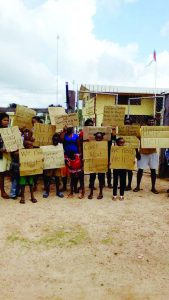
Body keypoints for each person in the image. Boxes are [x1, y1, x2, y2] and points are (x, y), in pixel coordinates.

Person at [133, 116, 159, 194]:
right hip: (143, 153)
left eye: (152, 121)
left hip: (153, 152)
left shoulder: (156, 131)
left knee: (153, 170)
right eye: (150, 121)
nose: (151, 122)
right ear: (146, 122)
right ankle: (137, 186)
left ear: (154, 122)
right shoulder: (141, 130)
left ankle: (153, 187)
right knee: (140, 170)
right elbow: (135, 141)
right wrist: (137, 152)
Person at [43, 133, 64, 198]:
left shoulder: (60, 146)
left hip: (57, 165)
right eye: (54, 140)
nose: (55, 141)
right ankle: (47, 191)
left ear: (58, 140)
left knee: (57, 179)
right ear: (52, 140)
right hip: (49, 165)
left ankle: (58, 191)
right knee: (48, 178)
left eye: (56, 140)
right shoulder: (48, 147)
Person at [19, 133, 37, 204]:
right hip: (24, 170)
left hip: (31, 170)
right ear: (25, 146)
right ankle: (22, 197)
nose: (30, 146)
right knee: (22, 184)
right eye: (28, 145)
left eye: (31, 145)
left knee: (31, 183)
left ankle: (32, 196)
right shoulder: (22, 153)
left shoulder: (35, 152)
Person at [88, 132, 106, 200]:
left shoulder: (105, 145)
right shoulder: (91, 144)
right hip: (93, 163)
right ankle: (91, 192)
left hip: (101, 164)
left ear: (102, 138)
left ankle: (101, 192)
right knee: (92, 178)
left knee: (101, 179)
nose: (98, 139)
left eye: (100, 138)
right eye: (97, 138)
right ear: (95, 138)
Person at [0, 113, 11, 199]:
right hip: (1, 155)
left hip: (8, 154)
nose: (6, 122)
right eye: (4, 120)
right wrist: (1, 149)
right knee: (2, 173)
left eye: (7, 120)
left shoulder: (10, 131)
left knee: (5, 172)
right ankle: (2, 192)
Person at [124, 116, 134, 191]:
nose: (127, 124)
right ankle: (123, 184)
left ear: (131, 124)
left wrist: (137, 153)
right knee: (122, 170)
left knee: (129, 170)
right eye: (126, 123)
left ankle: (129, 185)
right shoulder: (121, 130)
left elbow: (136, 143)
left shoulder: (134, 131)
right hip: (122, 152)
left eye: (129, 123)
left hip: (130, 153)